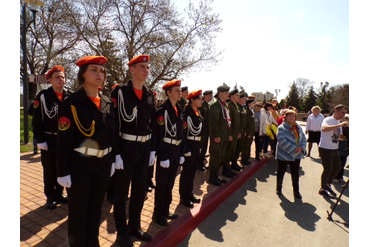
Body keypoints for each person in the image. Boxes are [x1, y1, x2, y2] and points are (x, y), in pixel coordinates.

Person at [56, 56, 116, 247]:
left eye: (102, 71)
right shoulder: (71, 103)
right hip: (80, 165)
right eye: (94, 70)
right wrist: (62, 171)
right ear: (83, 74)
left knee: (96, 210)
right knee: (78, 213)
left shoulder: (107, 102)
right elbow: (63, 141)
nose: (100, 74)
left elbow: (111, 134)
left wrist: (112, 160)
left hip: (103, 164)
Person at [110, 54, 156, 245]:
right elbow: (113, 124)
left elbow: (151, 123)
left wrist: (152, 150)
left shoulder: (150, 94)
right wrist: (116, 153)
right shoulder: (119, 92)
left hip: (144, 147)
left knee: (139, 190)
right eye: (142, 67)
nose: (146, 70)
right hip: (126, 146)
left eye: (147, 67)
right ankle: (122, 232)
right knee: (121, 192)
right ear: (132, 69)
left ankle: (134, 226)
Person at [33, 65, 70, 209]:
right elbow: (37, 119)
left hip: (65, 140)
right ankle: (50, 196)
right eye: (57, 77)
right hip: (49, 139)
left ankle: (60, 193)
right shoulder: (42, 96)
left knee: (63, 167)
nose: (61, 79)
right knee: (49, 169)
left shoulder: (70, 95)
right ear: (50, 80)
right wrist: (40, 140)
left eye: (63, 77)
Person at [153, 80, 185, 227]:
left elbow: (180, 133)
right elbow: (158, 135)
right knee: (162, 184)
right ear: (168, 93)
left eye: (180, 90)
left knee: (170, 183)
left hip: (176, 149)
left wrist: (181, 153)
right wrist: (162, 155)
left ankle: (165, 210)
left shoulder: (178, 109)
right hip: (165, 150)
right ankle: (157, 214)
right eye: (177, 90)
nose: (180, 93)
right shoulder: (162, 110)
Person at [179, 90, 204, 208]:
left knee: (192, 172)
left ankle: (189, 194)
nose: (201, 100)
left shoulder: (197, 112)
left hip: (195, 145)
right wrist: (186, 149)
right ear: (192, 100)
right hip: (189, 145)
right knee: (186, 173)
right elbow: (183, 133)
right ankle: (184, 197)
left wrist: (198, 147)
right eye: (199, 98)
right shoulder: (187, 113)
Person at [318, 104, 348, 197]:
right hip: (325, 148)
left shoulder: (338, 122)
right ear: (336, 111)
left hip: (334, 148)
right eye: (342, 112)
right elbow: (324, 128)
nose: (344, 115)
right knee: (328, 169)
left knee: (338, 168)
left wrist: (347, 138)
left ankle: (327, 185)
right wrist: (339, 125)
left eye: (345, 113)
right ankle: (322, 189)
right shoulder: (328, 120)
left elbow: (339, 137)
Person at [275, 110, 307, 199]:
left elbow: (304, 138)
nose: (292, 118)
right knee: (281, 171)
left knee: (295, 173)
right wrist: (294, 149)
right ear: (285, 117)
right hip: (284, 154)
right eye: (290, 116)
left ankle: (296, 191)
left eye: (293, 116)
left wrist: (302, 147)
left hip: (297, 155)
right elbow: (281, 140)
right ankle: (279, 188)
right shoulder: (281, 127)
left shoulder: (298, 127)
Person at [208, 85, 231, 186]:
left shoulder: (224, 105)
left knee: (221, 156)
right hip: (218, 137)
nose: (228, 94)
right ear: (220, 93)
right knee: (215, 156)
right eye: (226, 93)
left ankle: (216, 175)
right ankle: (212, 177)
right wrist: (216, 135)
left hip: (223, 136)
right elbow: (213, 122)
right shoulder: (215, 105)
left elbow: (227, 121)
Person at [224, 89, 242, 174]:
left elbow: (237, 121)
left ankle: (231, 165)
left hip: (235, 132)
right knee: (228, 151)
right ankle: (225, 168)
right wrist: (230, 134)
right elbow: (229, 122)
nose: (238, 97)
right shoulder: (229, 106)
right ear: (231, 96)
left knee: (233, 151)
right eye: (236, 95)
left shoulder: (236, 106)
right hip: (231, 133)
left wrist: (238, 132)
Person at [198, 90, 213, 171]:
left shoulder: (208, 105)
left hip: (207, 130)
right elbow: (200, 118)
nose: (211, 97)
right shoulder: (202, 104)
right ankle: (199, 163)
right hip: (202, 130)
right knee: (201, 146)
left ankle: (201, 161)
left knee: (204, 147)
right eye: (210, 95)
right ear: (206, 96)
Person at [333, 114, 349, 183]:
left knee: (343, 163)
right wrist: (343, 138)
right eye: (345, 118)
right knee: (337, 163)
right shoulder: (339, 127)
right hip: (338, 147)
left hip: (345, 148)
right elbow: (337, 136)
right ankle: (334, 177)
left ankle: (340, 176)